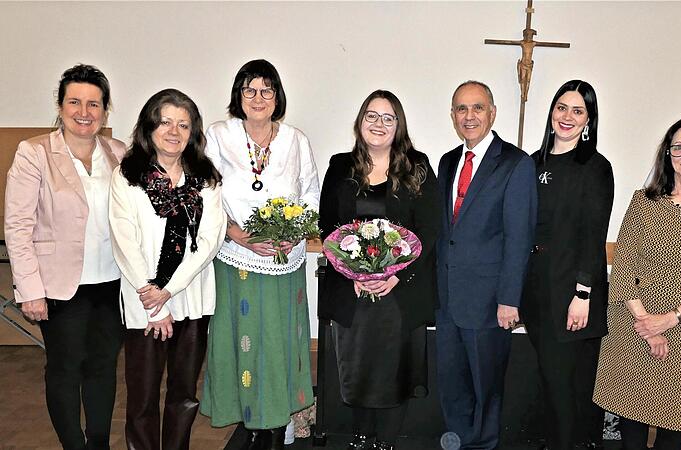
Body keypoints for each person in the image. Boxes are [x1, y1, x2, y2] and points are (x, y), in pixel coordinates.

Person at [593, 117, 681, 450]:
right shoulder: (643, 201)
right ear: (667, 154)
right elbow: (625, 262)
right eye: (678, 147)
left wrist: (669, 320)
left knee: (674, 423)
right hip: (632, 321)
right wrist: (646, 322)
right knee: (629, 421)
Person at [199, 59, 320, 450]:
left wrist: (294, 233)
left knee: (281, 339)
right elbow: (206, 195)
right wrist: (239, 236)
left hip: (285, 261)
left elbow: (310, 194)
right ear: (238, 95)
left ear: (277, 96)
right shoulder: (218, 136)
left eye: (267, 90)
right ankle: (250, 418)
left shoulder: (295, 140)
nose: (258, 97)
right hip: (237, 259)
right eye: (249, 89)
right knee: (243, 338)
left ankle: (280, 418)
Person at [4, 64, 125, 450]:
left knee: (103, 369)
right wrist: (30, 289)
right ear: (60, 106)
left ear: (106, 110)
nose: (84, 112)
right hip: (58, 286)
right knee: (65, 369)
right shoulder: (34, 152)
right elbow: (18, 226)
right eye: (74, 101)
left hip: (112, 282)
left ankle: (99, 444)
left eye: (93, 103)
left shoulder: (119, 153)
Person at [318, 90, 441, 450]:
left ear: (398, 126)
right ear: (360, 122)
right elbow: (328, 226)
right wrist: (352, 274)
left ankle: (385, 443)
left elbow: (429, 230)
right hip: (351, 292)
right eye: (372, 116)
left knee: (393, 374)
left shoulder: (417, 166)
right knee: (356, 372)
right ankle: (359, 439)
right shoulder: (340, 166)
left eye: (388, 118)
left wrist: (396, 275)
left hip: (398, 293)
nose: (379, 124)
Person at [109, 88, 225, 450]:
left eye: (184, 125)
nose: (174, 131)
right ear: (149, 127)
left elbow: (210, 240)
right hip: (144, 303)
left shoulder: (206, 179)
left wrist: (170, 290)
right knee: (142, 399)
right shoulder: (127, 176)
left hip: (192, 298)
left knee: (184, 394)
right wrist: (156, 301)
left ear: (193, 133)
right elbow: (124, 241)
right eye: (165, 122)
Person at [435, 80, 537, 449]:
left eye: (477, 108)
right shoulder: (447, 162)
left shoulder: (515, 163)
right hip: (448, 301)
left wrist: (509, 298)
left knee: (486, 389)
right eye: (461, 109)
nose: (469, 116)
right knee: (453, 388)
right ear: (452, 116)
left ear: (492, 113)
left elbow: (519, 237)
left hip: (490, 302)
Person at [519, 80, 613, 450]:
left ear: (589, 119)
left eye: (578, 110)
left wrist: (583, 293)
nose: (568, 117)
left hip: (573, 294)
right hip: (538, 289)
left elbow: (593, 235)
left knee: (567, 390)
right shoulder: (532, 162)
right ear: (552, 112)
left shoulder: (594, 166)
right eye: (562, 107)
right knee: (548, 382)